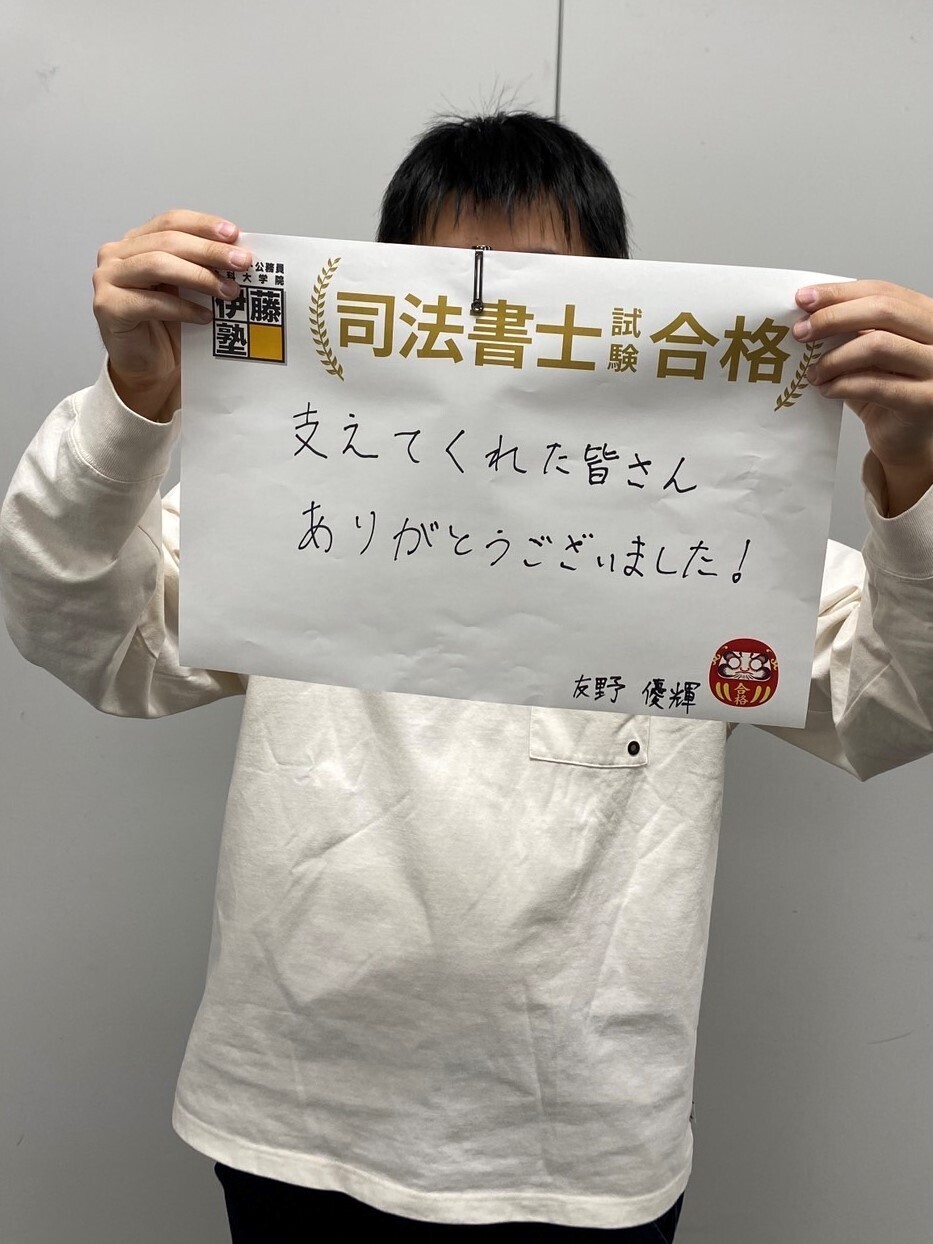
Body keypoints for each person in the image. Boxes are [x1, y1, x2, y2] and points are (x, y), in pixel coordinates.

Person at [2, 112, 932, 1242]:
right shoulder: (299, 504)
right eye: (456, 289)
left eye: (549, 292)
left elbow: (892, 704)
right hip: (294, 1113)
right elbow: (85, 628)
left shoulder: (710, 529)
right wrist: (134, 396)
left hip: (585, 1144)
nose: (502, 329)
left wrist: (917, 468)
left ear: (625, 308)